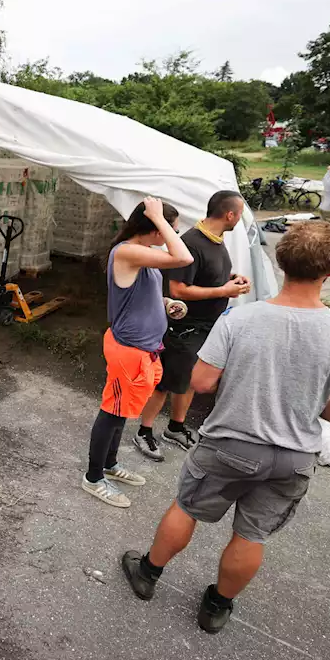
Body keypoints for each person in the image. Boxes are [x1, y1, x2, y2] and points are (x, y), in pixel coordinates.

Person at [120, 222, 330, 634]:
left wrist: (246, 382)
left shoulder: (240, 319)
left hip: (229, 444)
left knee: (187, 508)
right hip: (292, 459)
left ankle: (147, 574)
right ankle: (216, 606)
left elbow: (201, 382)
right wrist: (305, 401)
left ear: (281, 262)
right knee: (251, 534)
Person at [84, 197, 193, 508]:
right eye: (171, 228)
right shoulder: (128, 251)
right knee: (112, 412)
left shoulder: (143, 256)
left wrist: (166, 305)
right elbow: (183, 257)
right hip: (128, 350)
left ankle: (109, 464)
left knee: (123, 411)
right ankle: (93, 477)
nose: (173, 233)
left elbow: (141, 295)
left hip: (144, 350)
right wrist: (159, 217)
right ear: (156, 229)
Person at [133, 191, 250, 462]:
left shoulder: (216, 241)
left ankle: (175, 427)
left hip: (207, 326)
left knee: (190, 381)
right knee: (165, 382)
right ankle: (144, 430)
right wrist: (223, 290)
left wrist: (231, 280)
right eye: (240, 214)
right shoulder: (192, 242)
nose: (239, 219)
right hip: (184, 327)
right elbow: (178, 289)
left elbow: (208, 276)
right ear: (229, 215)